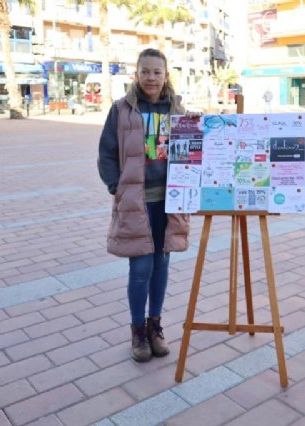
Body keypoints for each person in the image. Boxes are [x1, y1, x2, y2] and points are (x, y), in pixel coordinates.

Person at [98, 48, 190, 363]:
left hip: (169, 202)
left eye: (157, 72)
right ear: (136, 74)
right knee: (140, 267)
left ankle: (155, 326)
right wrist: (117, 188)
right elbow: (106, 154)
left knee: (161, 264)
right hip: (136, 202)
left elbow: (192, 153)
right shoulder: (121, 110)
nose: (151, 78)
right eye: (145, 71)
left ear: (166, 76)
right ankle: (138, 331)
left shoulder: (178, 110)